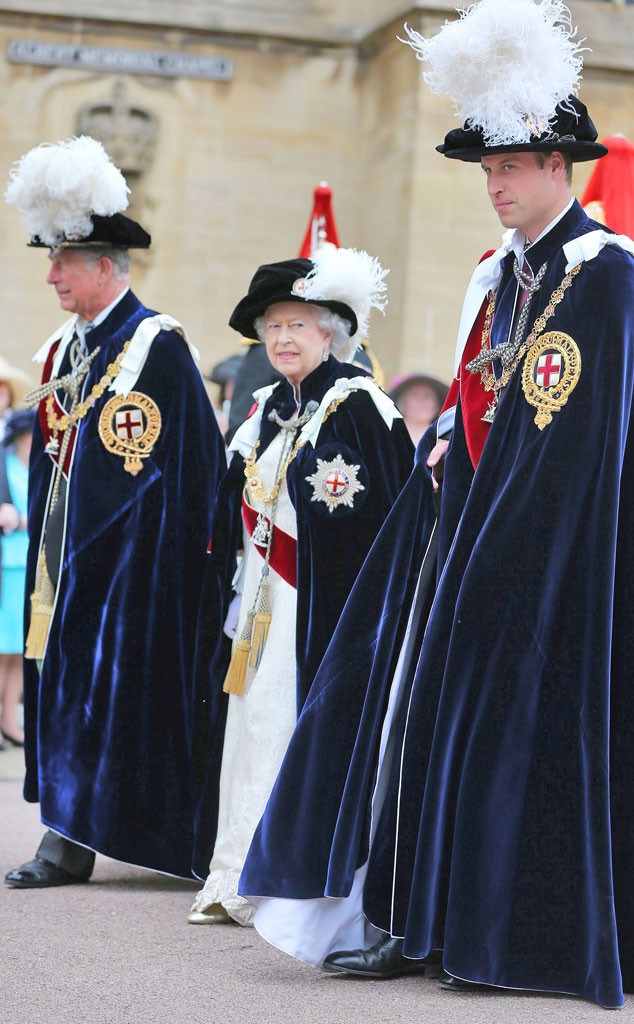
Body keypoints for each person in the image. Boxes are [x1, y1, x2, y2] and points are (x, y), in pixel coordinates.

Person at [237, 0, 634, 1009]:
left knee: (513, 738)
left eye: (511, 165)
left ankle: (494, 931)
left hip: (558, 558)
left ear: (559, 164)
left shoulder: (607, 276)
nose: (495, 185)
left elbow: (586, 439)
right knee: (418, 717)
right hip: (464, 541)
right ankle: (412, 919)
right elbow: (475, 409)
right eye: (487, 169)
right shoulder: (501, 278)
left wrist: (508, 544)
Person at [3, 135, 226, 886]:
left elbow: (193, 466)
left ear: (105, 267)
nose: (51, 275)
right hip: (65, 559)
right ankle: (65, 833)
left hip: (138, 569)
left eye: (63, 262)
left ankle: (115, 829)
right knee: (60, 686)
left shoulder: (156, 347)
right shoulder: (65, 351)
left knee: (120, 697)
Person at [188, 246, 414, 925]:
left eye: (298, 325)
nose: (282, 339)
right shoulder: (261, 411)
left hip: (318, 605)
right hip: (259, 596)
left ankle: (277, 881)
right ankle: (234, 873)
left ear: (331, 333)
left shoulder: (359, 406)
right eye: (273, 327)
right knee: (250, 727)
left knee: (284, 724)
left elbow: (378, 523)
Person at [0, 410, 35, 749]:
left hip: (27, 563)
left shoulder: (33, 468)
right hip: (6, 563)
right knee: (2, 648)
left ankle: (9, 719)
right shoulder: (5, 466)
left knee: (16, 649)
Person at [389, 373, 448, 446]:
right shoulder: (387, 436)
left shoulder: (447, 440)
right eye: (414, 395)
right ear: (402, 402)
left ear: (437, 404)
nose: (422, 401)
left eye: (427, 396)